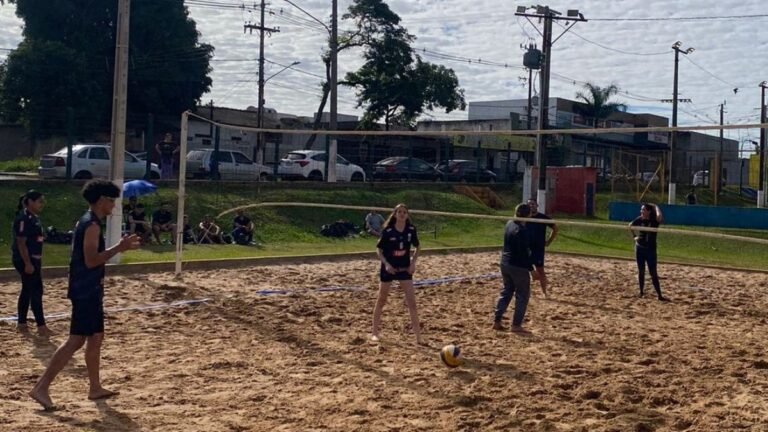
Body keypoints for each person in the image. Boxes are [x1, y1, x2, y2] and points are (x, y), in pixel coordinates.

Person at [29, 180, 141, 411]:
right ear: (101, 200)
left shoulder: (89, 221)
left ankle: (95, 387)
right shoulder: (91, 225)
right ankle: (42, 387)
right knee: (76, 340)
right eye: (111, 201)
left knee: (96, 337)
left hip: (89, 289)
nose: (113, 206)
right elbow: (91, 260)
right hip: (85, 290)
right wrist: (119, 248)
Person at [371, 204, 423, 345]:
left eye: (404, 212)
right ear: (394, 214)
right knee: (381, 300)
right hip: (389, 269)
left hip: (404, 269)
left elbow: (418, 246)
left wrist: (413, 263)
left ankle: (418, 337)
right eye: (399, 212)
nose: (401, 214)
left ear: (407, 215)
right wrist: (386, 264)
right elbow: (378, 250)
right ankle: (375, 333)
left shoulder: (411, 230)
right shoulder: (388, 231)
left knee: (412, 302)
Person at [12, 190, 51, 336]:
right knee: (36, 290)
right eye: (39, 201)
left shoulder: (34, 218)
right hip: (26, 259)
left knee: (28, 289)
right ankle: (41, 326)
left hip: (34, 258)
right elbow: (21, 243)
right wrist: (27, 263)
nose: (42, 204)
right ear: (30, 202)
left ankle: (22, 323)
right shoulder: (24, 218)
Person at [493, 203, 535, 332]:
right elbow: (523, 253)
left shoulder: (509, 223)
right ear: (528, 215)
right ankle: (516, 325)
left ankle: (497, 320)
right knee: (522, 295)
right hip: (518, 266)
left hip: (505, 263)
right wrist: (532, 270)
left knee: (506, 291)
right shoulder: (521, 231)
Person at [629, 203, 666, 301]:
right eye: (641, 210)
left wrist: (656, 206)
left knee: (653, 272)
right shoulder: (640, 219)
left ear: (649, 211)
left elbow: (659, 217)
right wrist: (634, 237)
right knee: (641, 271)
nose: (641, 212)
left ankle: (659, 295)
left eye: (643, 210)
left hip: (650, 250)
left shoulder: (654, 221)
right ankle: (641, 292)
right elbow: (630, 225)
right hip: (640, 248)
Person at [526, 198, 558, 297]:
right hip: (526, 248)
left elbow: (555, 228)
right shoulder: (524, 218)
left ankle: (544, 292)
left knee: (540, 271)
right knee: (523, 271)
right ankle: (526, 292)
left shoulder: (543, 218)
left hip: (538, 249)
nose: (531, 206)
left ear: (537, 206)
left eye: (533, 204)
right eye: (529, 204)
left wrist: (549, 241)